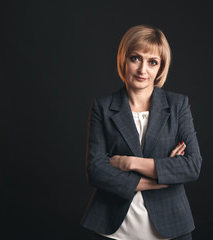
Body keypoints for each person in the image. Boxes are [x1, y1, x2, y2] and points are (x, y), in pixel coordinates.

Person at [81, 24, 202, 240]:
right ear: (124, 59)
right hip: (115, 229)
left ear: (160, 68)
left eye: (152, 62)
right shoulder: (103, 106)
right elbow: (96, 169)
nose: (142, 70)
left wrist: (130, 163)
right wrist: (161, 179)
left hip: (171, 226)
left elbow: (192, 166)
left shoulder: (178, 105)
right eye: (136, 58)